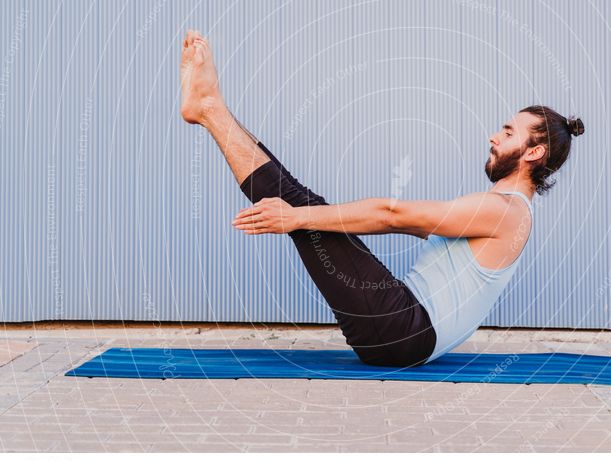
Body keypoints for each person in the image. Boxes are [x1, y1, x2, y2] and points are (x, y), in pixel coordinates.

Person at [179, 30, 584, 368]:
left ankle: (210, 109)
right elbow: (409, 223)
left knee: (304, 211)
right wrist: (305, 215)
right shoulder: (506, 212)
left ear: (534, 153)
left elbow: (390, 214)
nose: (495, 137)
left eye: (508, 132)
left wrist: (298, 218)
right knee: (306, 206)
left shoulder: (503, 211)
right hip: (403, 330)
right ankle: (211, 109)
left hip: (402, 332)